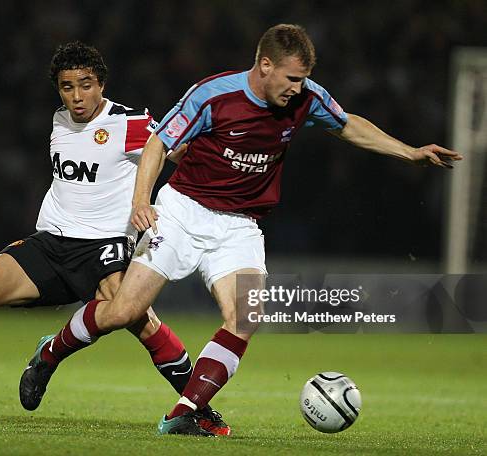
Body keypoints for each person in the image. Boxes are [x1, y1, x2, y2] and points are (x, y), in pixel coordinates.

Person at [25, 25, 463, 437]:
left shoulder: (306, 97)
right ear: (266, 65)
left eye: (304, 78)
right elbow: (158, 142)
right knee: (122, 312)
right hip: (181, 212)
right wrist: (142, 201)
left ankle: (184, 412)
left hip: (240, 225)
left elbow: (347, 124)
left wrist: (410, 153)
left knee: (246, 317)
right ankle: (50, 352)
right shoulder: (214, 95)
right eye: (292, 77)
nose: (298, 87)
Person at [0, 41, 230, 436]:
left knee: (138, 318)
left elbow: (183, 152)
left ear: (101, 83)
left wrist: (222, 182)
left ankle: (192, 408)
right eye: (67, 87)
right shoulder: (59, 120)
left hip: (105, 246)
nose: (77, 96)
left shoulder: (132, 122)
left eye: (86, 85)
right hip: (52, 241)